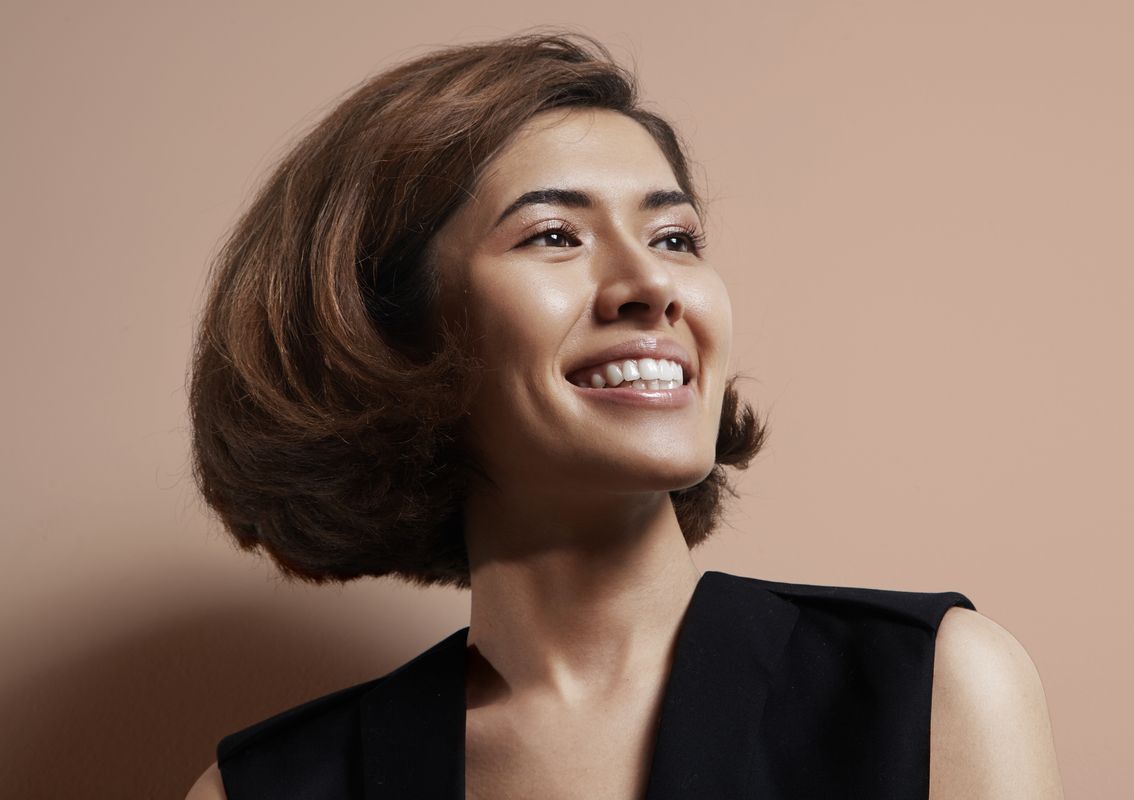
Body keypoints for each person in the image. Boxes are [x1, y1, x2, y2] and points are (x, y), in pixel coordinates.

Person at [184, 30, 1064, 800]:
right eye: (554, 236)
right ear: (390, 332)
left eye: (674, 238)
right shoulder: (266, 790)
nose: (651, 284)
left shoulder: (933, 689)